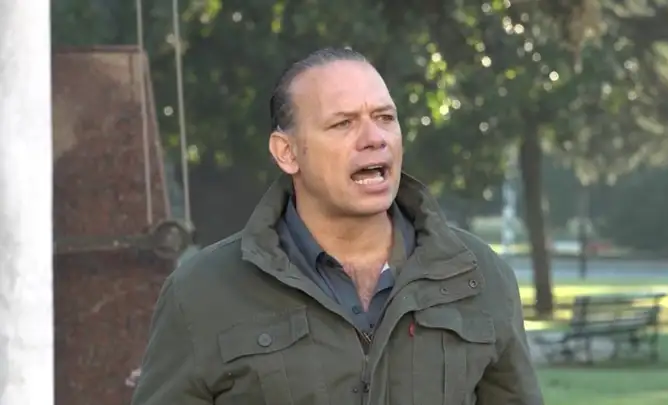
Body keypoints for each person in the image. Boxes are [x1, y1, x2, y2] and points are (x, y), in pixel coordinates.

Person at [131, 47, 544, 405]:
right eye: (343, 123)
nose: (374, 138)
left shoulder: (479, 276)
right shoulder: (202, 292)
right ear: (287, 152)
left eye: (385, 117)